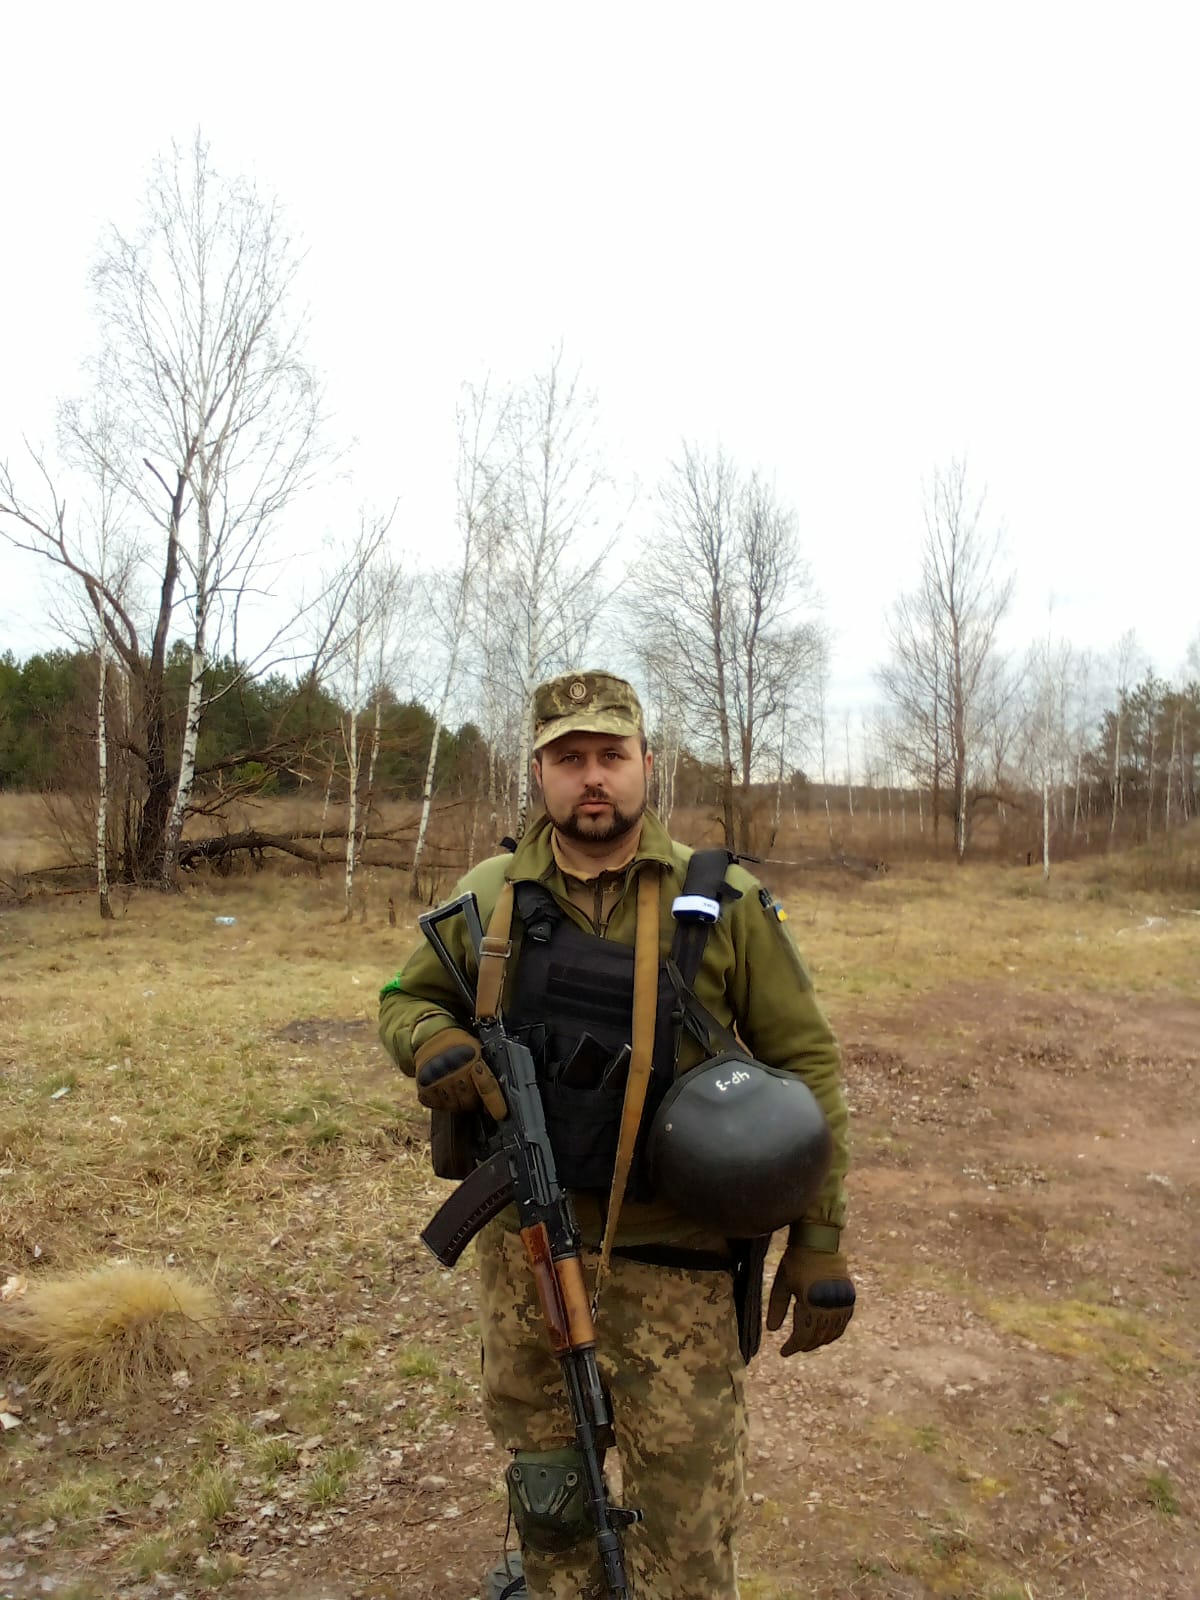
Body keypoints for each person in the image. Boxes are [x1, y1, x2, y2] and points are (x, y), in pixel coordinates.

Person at [378, 671, 853, 1600]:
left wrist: (820, 1238)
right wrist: (429, 1041)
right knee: (553, 1500)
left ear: (645, 765)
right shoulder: (492, 896)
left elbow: (811, 1064)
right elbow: (403, 999)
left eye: (610, 756)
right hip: (527, 1260)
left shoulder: (723, 902)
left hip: (680, 1264)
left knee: (687, 1526)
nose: (592, 778)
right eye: (569, 759)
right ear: (541, 773)